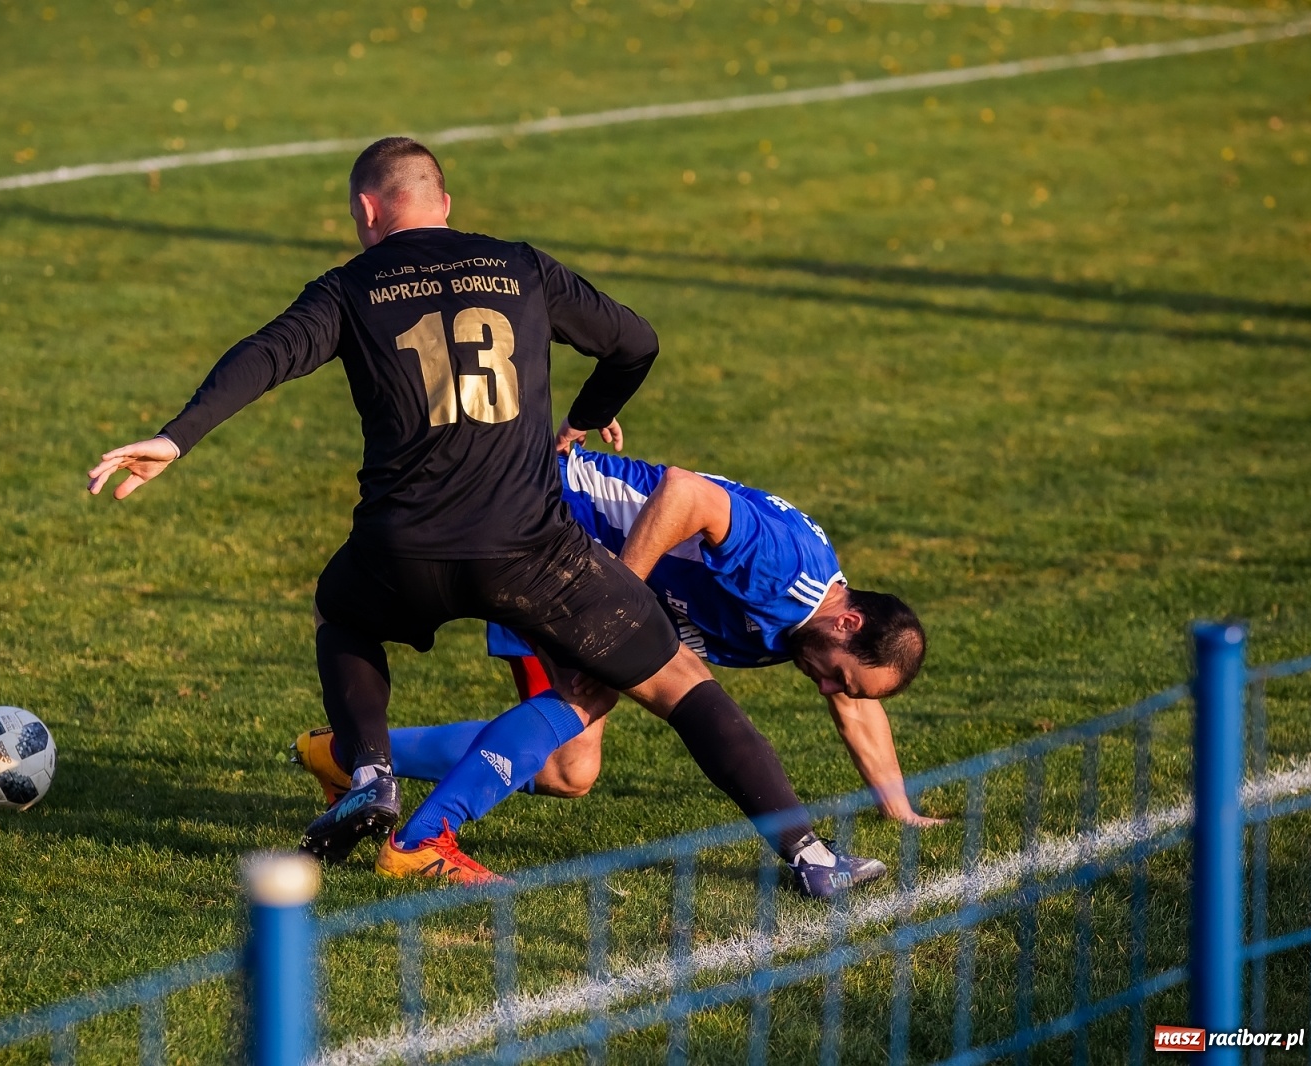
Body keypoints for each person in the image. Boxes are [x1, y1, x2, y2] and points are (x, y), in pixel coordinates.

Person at [88, 136, 877, 897]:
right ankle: (809, 855)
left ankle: (370, 771)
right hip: (531, 552)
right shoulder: (520, 266)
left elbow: (265, 354)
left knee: (342, 613)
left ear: (367, 211)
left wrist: (175, 437)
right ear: (446, 202)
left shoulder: (350, 287)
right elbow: (636, 341)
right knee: (680, 685)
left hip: (402, 552)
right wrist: (585, 417)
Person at [292, 444, 937, 887]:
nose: (826, 688)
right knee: (590, 702)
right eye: (837, 675)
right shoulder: (788, 571)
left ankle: (351, 758)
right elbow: (686, 492)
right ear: (848, 623)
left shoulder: (812, 628)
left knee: (569, 769)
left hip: (560, 547)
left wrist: (898, 809)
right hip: (545, 524)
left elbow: (856, 705)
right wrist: (615, 608)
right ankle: (419, 840)